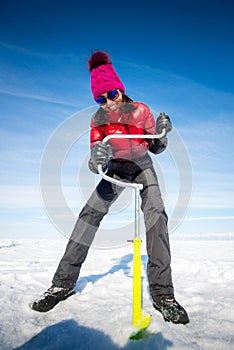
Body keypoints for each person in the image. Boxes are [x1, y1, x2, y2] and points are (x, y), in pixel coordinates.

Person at [31, 51, 189, 325]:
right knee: (88, 216)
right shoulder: (97, 121)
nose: (108, 103)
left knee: (156, 216)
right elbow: (96, 161)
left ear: (121, 90)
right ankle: (62, 284)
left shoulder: (141, 111)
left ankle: (164, 294)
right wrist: (98, 159)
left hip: (141, 167)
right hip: (115, 169)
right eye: (100, 99)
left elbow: (157, 147)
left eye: (112, 95)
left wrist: (163, 133)